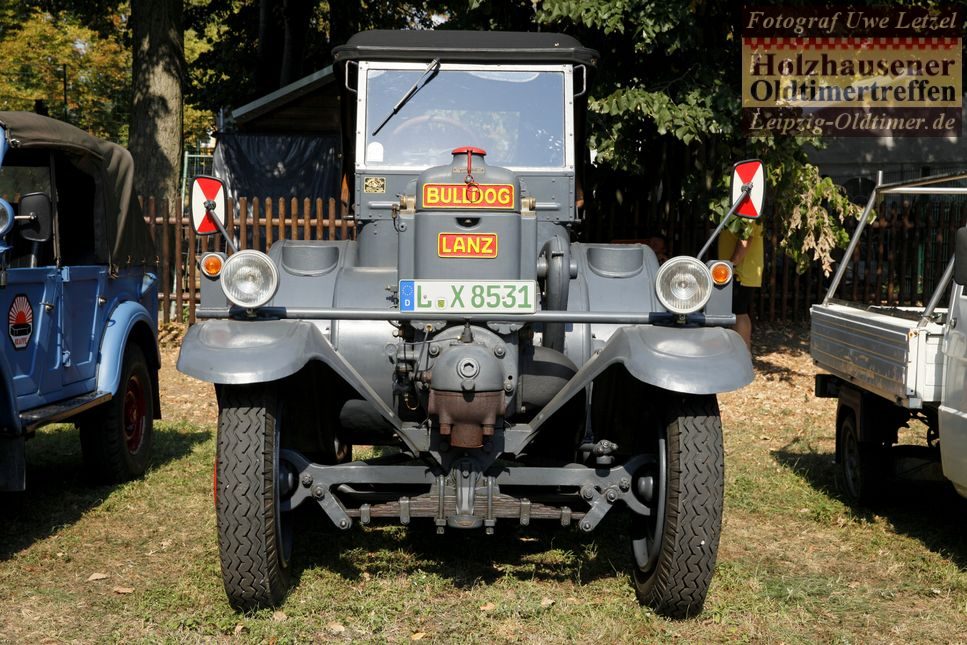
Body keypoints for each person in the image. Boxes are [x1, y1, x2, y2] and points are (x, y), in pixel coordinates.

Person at [718, 221, 763, 351]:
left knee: (739, 312)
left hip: (740, 271)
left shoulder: (747, 213)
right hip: (737, 270)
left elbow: (746, 239)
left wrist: (732, 264)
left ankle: (742, 353)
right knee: (737, 311)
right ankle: (741, 352)